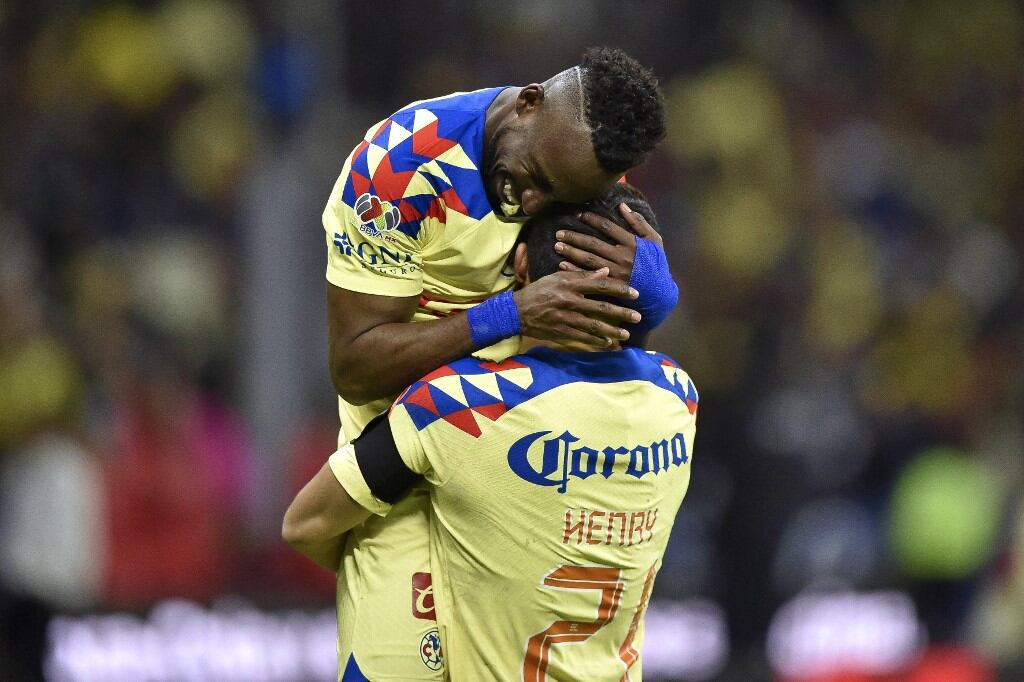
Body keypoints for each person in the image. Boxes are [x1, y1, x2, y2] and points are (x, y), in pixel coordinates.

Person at [316, 47, 675, 678]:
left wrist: (653, 289)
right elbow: (355, 366)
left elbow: (620, 327)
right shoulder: (398, 170)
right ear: (530, 100)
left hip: (519, 472)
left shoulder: (588, 173)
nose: (532, 201)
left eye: (556, 196)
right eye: (533, 174)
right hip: (402, 465)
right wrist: (508, 316)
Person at [286, 185, 698, 680]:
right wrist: (641, 299)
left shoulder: (461, 405)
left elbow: (304, 524)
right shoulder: (678, 398)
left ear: (520, 263)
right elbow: (635, 358)